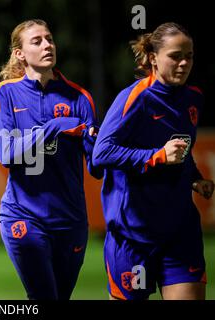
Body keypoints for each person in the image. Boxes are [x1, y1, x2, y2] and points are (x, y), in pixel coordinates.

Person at [93, 22, 214, 300]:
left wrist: (194, 176)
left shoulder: (194, 99)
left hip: (180, 233)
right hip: (134, 237)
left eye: (190, 55)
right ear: (153, 58)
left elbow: (182, 148)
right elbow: (102, 153)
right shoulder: (135, 98)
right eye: (175, 56)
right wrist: (155, 156)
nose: (184, 63)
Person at [0, 19, 102, 300]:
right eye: (37, 41)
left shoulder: (80, 97)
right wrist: (56, 126)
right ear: (20, 53)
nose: (47, 45)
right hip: (24, 216)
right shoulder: (7, 92)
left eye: (49, 39)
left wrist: (99, 142)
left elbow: (97, 168)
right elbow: (7, 154)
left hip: (71, 221)